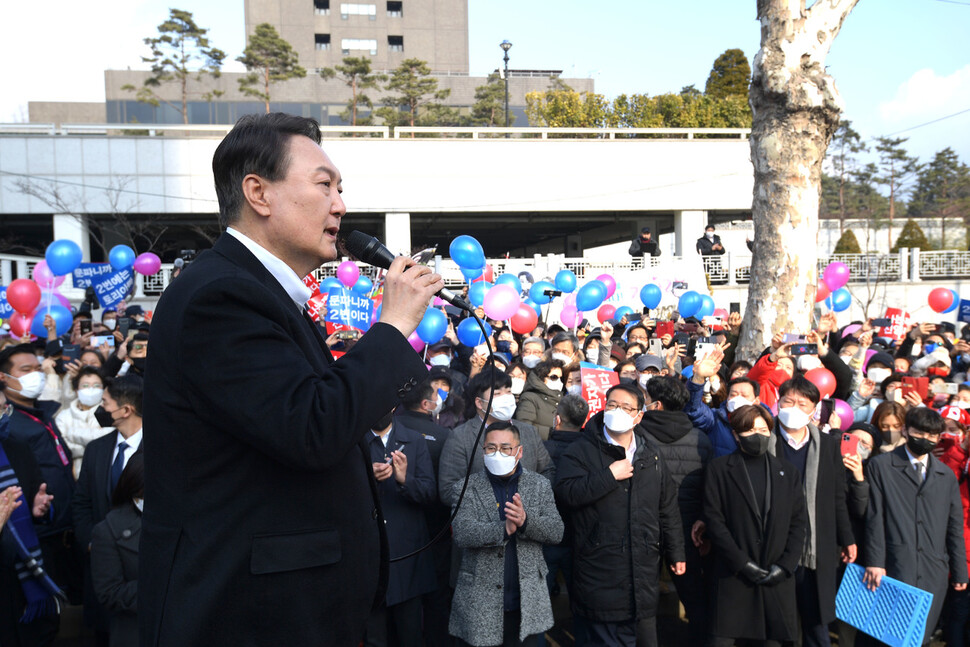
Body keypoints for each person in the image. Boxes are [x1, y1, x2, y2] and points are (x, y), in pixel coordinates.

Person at [140, 113, 444, 647]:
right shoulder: (221, 296)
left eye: (341, 189)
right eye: (325, 184)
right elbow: (312, 428)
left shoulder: (266, 295)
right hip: (247, 615)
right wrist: (394, 327)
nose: (341, 206)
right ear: (258, 192)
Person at [554, 383, 686, 647]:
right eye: (612, 405)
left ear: (639, 416)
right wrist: (608, 476)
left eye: (626, 408)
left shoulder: (651, 454)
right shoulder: (582, 449)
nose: (617, 411)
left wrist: (676, 553)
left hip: (643, 570)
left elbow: (667, 508)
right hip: (599, 570)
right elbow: (566, 493)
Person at [449, 422, 564, 647]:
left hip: (527, 603)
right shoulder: (465, 487)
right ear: (483, 451)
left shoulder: (539, 485)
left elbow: (556, 531)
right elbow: (462, 533)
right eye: (491, 448)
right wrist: (503, 529)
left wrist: (525, 522)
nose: (497, 453)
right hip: (480, 605)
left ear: (519, 451)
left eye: (505, 448)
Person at [862, 407, 968, 646]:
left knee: (919, 637)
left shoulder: (945, 474)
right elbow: (875, 517)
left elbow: (954, 527)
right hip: (894, 566)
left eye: (933, 435)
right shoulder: (881, 466)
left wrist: (960, 571)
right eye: (919, 433)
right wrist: (875, 561)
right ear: (906, 431)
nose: (926, 439)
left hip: (934, 570)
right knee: (887, 635)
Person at [703, 404, 807, 646]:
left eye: (763, 429)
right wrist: (742, 563)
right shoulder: (719, 470)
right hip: (733, 576)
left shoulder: (787, 472)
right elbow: (714, 521)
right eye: (749, 430)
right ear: (736, 435)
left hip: (775, 577)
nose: (757, 435)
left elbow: (798, 522)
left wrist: (785, 566)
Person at [769, 376, 856, 647]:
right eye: (788, 401)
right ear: (778, 402)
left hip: (816, 545)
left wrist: (847, 537)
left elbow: (837, 495)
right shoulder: (764, 441)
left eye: (802, 403)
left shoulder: (829, 445)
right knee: (780, 622)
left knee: (816, 623)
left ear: (814, 409)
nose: (793, 408)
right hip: (776, 543)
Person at [0, 343, 78, 603]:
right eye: (26, 370)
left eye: (37, 368)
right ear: (3, 377)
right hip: (38, 531)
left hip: (64, 525)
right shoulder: (9, 426)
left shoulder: (43, 412)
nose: (36, 374)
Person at [638, 375, 712, 645]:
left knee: (643, 602)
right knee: (694, 599)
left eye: (643, 399)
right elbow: (708, 488)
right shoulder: (701, 438)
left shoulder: (635, 436)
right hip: (688, 529)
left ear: (655, 405)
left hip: (644, 528)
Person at [73, 374, 144, 643]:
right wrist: (91, 541)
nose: (100, 409)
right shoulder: (97, 449)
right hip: (106, 571)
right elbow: (81, 502)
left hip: (141, 569)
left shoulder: (163, 449)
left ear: (126, 410)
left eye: (105, 402)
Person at [365, 410, 437, 647]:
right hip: (369, 554)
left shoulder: (414, 440)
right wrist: (367, 479)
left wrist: (405, 480)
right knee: (374, 637)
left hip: (408, 554)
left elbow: (430, 494)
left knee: (410, 634)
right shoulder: (355, 442)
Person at [438, 368, 555, 509]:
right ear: (479, 403)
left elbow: (547, 471)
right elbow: (448, 489)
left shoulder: (528, 431)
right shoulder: (461, 436)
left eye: (508, 391)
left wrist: (530, 500)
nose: (506, 397)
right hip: (481, 523)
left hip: (527, 519)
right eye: (497, 393)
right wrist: (494, 501)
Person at [0, 393, 62, 647]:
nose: (4, 416)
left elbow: (37, 498)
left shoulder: (15, 447)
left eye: (5, 408)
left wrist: (40, 508)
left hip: (24, 576)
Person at [90, 452, 144, 647]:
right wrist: (162, 585)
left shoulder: (188, 521)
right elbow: (110, 592)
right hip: (136, 632)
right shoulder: (108, 531)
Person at [55, 366, 110, 478]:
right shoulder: (64, 416)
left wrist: (71, 433)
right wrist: (94, 438)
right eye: (85, 385)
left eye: (96, 385)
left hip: (105, 472)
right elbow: (62, 446)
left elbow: (109, 440)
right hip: (74, 474)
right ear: (76, 390)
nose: (91, 389)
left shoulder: (110, 413)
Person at [514, 359, 564, 440]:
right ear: (541, 378)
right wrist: (552, 432)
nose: (559, 381)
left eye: (560, 378)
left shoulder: (561, 398)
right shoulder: (529, 398)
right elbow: (524, 427)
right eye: (554, 377)